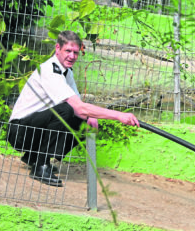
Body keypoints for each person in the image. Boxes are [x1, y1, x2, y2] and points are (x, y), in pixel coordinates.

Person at [7, 30, 139, 186]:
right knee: (66, 111)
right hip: (19, 131)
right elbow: (77, 108)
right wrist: (119, 115)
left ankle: (33, 157)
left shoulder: (66, 72)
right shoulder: (50, 70)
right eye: (68, 51)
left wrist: (90, 117)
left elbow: (79, 104)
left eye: (75, 52)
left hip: (34, 127)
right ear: (57, 49)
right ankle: (40, 166)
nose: (72, 56)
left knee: (84, 122)